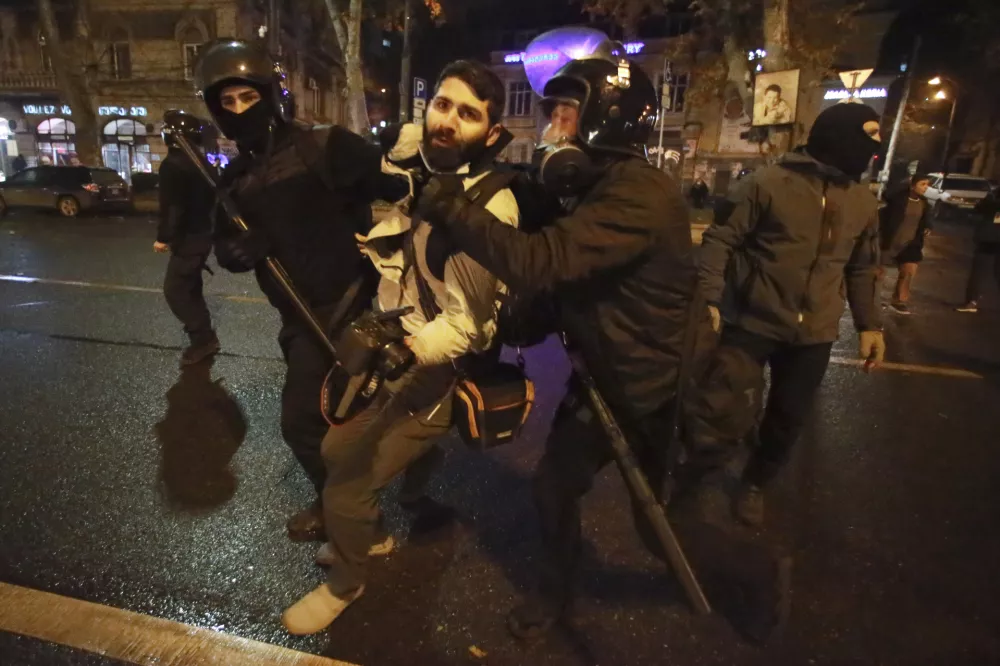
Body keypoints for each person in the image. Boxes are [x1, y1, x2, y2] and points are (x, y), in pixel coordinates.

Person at [413, 50, 792, 643]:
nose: (552, 128)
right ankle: (555, 593)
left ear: (604, 120)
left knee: (662, 528)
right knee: (554, 486)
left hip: (662, 393)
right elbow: (572, 284)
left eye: (565, 114)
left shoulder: (639, 194)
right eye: (554, 114)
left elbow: (545, 262)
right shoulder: (592, 190)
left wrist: (454, 210)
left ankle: (759, 574)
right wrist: (523, 321)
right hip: (605, 382)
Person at [280, 59, 520, 636]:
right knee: (339, 449)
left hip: (434, 367)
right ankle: (377, 525)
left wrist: (410, 350)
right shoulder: (422, 174)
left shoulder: (486, 209)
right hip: (396, 340)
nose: (448, 121)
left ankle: (348, 581)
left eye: (468, 114)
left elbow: (471, 326)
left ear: (489, 134)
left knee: (346, 476)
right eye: (442, 104)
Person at [194, 39, 410, 542]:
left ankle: (364, 517)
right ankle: (340, 501)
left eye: (247, 97)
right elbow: (223, 247)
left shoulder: (322, 144)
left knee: (328, 419)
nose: (239, 110)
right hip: (298, 317)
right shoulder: (233, 182)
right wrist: (237, 251)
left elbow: (395, 185)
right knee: (318, 422)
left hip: (351, 303)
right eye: (226, 103)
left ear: (268, 94)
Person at [699, 102, 887, 528]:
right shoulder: (766, 185)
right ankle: (702, 470)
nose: (873, 148)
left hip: (814, 334)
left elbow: (862, 268)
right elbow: (719, 240)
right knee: (726, 406)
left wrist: (869, 325)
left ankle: (755, 482)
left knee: (787, 419)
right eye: (868, 136)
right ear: (838, 138)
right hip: (749, 322)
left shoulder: (862, 202)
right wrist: (710, 299)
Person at [154, 110, 220, 366]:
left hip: (189, 239)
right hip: (203, 235)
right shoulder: (200, 162)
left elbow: (174, 206)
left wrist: (164, 237)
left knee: (176, 291)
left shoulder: (174, 165)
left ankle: (203, 339)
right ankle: (204, 336)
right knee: (191, 289)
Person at [878, 173, 932, 315]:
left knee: (908, 271)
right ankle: (874, 298)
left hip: (911, 243)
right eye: (923, 184)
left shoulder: (924, 203)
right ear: (912, 185)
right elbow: (884, 213)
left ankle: (899, 301)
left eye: (927, 185)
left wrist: (927, 228)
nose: (926, 188)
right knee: (878, 272)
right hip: (890, 240)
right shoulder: (897, 199)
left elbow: (926, 220)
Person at [956, 190, 1000, 312]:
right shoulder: (993, 196)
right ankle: (971, 302)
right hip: (988, 240)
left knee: (981, 273)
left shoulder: (992, 197)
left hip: (989, 239)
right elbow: (980, 208)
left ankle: (971, 302)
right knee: (979, 273)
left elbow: (982, 207)